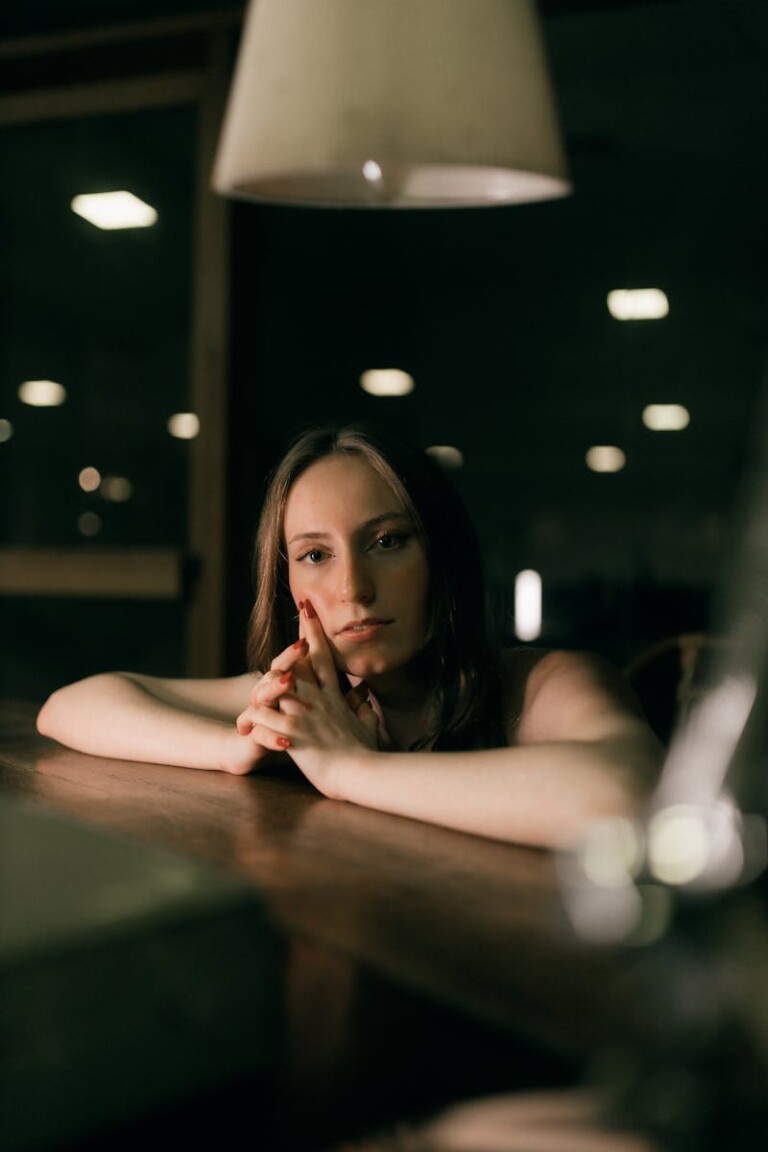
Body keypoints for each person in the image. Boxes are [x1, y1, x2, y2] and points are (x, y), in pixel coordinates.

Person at [36, 422, 663, 849]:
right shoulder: (314, 697)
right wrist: (235, 748)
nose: (352, 588)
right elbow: (70, 707)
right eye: (314, 555)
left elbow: (631, 795)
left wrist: (349, 769)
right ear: (285, 584)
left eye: (387, 542)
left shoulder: (543, 683)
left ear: (441, 556)